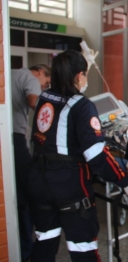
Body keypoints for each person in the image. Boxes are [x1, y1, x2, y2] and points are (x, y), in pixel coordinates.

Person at [26, 49, 128, 262]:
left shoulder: (45, 98)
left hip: (38, 180)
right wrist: (124, 182)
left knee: (45, 241)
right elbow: (96, 155)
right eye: (84, 74)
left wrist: (86, 62)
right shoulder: (82, 105)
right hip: (68, 185)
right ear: (79, 76)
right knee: (83, 248)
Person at [11, 63, 51, 262]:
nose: (44, 86)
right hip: (15, 138)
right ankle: (32, 246)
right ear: (40, 72)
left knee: (18, 193)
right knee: (31, 190)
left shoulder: (11, 74)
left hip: (7, 138)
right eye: (46, 82)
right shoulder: (30, 78)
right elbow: (35, 102)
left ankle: (23, 245)